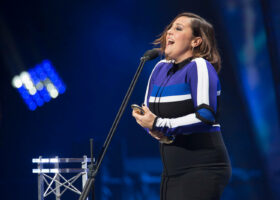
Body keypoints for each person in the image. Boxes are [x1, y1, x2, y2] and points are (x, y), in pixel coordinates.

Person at [132, 12, 231, 200]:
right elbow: (149, 116)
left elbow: (205, 116)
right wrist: (151, 127)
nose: (169, 32)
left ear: (196, 42)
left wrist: (160, 124)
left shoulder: (199, 66)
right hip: (171, 170)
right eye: (170, 27)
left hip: (203, 167)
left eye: (178, 28)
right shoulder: (159, 68)